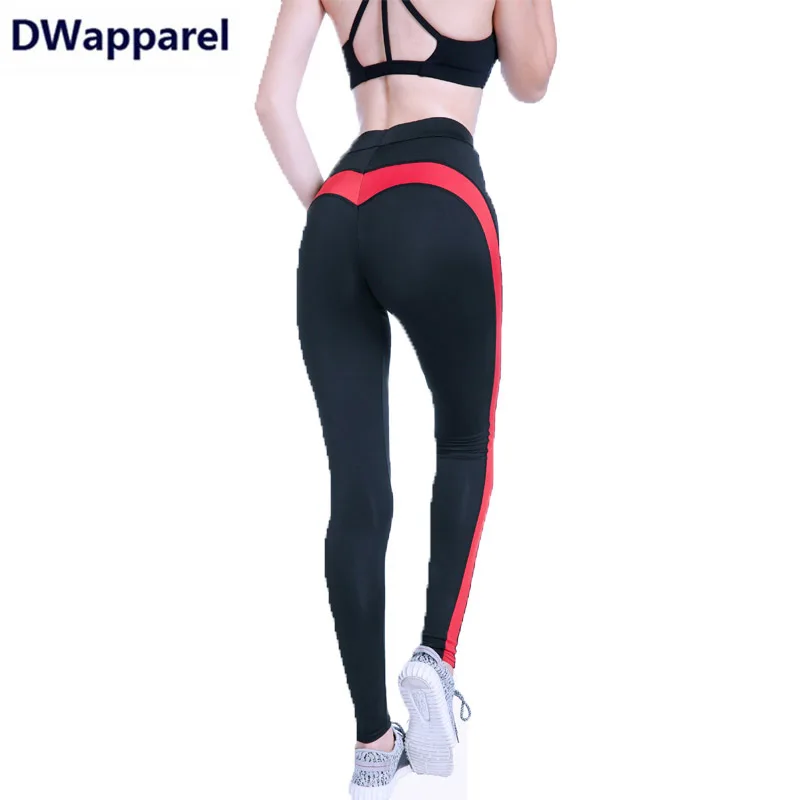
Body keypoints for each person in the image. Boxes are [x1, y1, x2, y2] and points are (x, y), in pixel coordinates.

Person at [256, 1, 556, 796]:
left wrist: (332, 213)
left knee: (356, 492)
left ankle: (370, 743)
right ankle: (434, 656)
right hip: (437, 191)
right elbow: (533, 80)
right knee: (464, 440)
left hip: (337, 212)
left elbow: (272, 102)